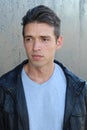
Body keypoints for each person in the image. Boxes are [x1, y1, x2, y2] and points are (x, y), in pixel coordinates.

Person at [0, 5, 87, 130]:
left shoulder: (79, 90)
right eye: (29, 39)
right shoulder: (4, 88)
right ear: (24, 42)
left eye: (44, 39)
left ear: (59, 42)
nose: (35, 47)